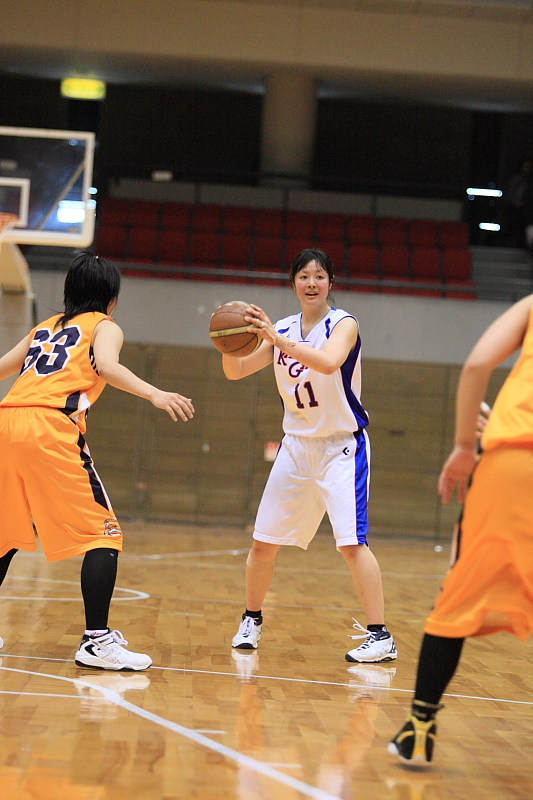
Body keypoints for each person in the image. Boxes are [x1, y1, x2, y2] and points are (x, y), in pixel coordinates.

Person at [0, 252, 194, 670]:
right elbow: (106, 366)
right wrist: (155, 394)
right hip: (49, 425)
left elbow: (2, 369)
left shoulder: (43, 328)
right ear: (111, 298)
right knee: (104, 534)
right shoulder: (104, 326)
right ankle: (95, 641)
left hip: (6, 420)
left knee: (6, 533)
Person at [222, 248, 396, 663]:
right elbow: (236, 371)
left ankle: (380, 635)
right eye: (304, 276)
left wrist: (277, 339)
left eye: (319, 276)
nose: (312, 283)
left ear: (331, 283)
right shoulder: (280, 328)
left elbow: (328, 361)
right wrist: (229, 337)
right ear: (294, 283)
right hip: (296, 447)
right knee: (263, 543)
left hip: (341, 447)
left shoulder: (344, 324)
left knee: (352, 545)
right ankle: (251, 619)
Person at [389, 293, 533, 765]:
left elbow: (475, 367)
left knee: (458, 596)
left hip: (514, 463)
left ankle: (419, 726)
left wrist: (463, 445)